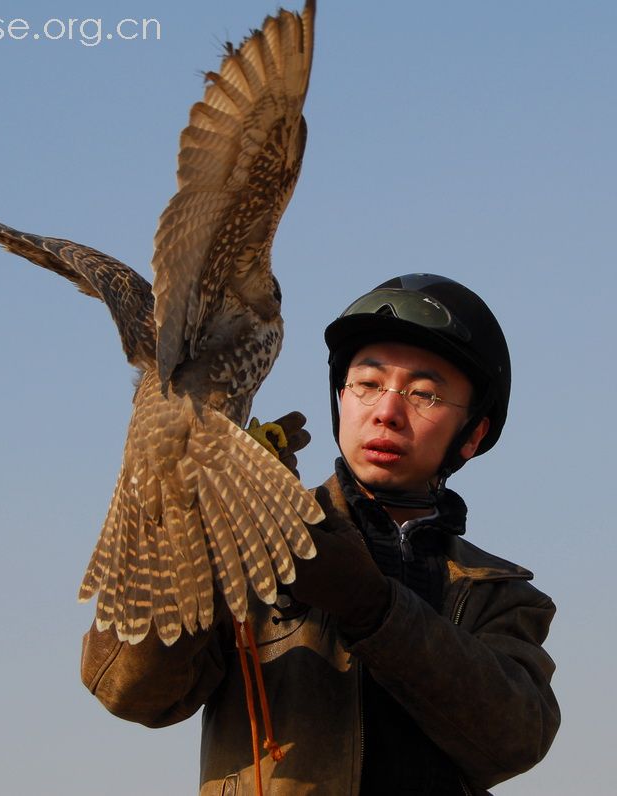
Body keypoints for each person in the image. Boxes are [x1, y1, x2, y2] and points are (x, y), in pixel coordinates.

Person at [81, 273, 560, 795]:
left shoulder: (499, 594)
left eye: (424, 394)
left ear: (473, 435)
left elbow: (515, 738)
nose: (387, 412)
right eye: (368, 384)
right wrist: (192, 527)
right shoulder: (252, 532)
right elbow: (130, 690)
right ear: (341, 397)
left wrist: (373, 606)